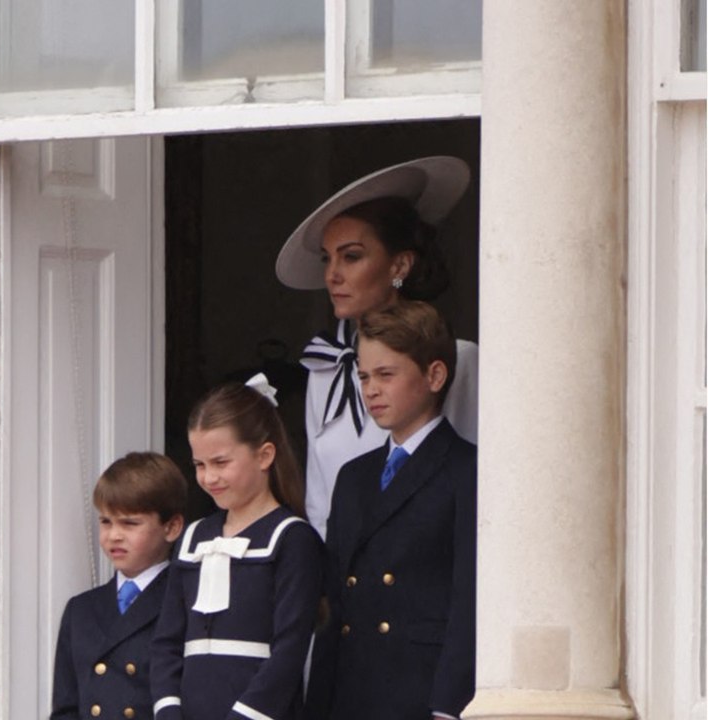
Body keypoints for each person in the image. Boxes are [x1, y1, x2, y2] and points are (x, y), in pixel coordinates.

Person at [274, 156, 479, 540]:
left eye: (351, 256)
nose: (333, 274)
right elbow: (320, 501)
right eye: (327, 258)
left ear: (399, 266)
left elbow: (472, 481)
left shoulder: (460, 358)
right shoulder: (325, 368)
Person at [304, 301, 477, 720]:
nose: (370, 390)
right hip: (351, 695)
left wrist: (449, 707)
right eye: (363, 376)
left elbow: (468, 600)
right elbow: (333, 608)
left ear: (434, 375)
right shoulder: (353, 477)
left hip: (419, 694)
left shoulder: (468, 470)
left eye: (386, 375)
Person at [150, 375, 322, 720]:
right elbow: (166, 642)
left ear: (264, 455)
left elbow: (289, 650)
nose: (208, 477)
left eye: (220, 462)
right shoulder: (194, 538)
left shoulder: (292, 538)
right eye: (199, 465)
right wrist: (168, 711)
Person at [51, 451, 188, 720]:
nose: (114, 535)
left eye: (130, 523)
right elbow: (66, 709)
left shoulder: (186, 600)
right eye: (105, 522)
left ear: (171, 527)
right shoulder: (81, 609)